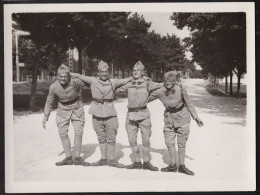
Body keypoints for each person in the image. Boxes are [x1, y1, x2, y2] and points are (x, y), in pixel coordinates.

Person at [70, 60, 133, 168]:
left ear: (108, 72)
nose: (104, 74)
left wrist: (139, 77)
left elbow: (125, 80)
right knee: (101, 137)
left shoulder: (113, 82)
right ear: (98, 72)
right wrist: (68, 73)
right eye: (101, 72)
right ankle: (103, 159)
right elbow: (80, 76)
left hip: (110, 113)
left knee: (112, 137)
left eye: (106, 72)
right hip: (96, 112)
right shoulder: (93, 80)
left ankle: (112, 160)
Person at [148, 71, 203, 175]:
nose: (167, 83)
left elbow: (189, 103)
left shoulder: (180, 89)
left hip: (183, 118)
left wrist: (196, 117)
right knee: (169, 142)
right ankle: (172, 165)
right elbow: (146, 98)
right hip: (169, 119)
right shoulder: (160, 91)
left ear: (174, 81)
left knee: (181, 144)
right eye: (165, 81)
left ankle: (182, 166)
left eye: (170, 81)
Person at [116, 61, 163, 171]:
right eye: (134, 70)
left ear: (143, 72)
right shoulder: (129, 84)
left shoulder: (148, 83)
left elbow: (162, 86)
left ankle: (146, 162)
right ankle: (137, 162)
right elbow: (116, 88)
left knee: (146, 140)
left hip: (144, 115)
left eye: (138, 70)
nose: (135, 72)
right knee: (132, 140)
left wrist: (177, 84)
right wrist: (127, 79)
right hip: (130, 115)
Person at [42, 64, 90, 166]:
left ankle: (77, 158)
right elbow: (49, 102)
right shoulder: (53, 87)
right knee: (63, 133)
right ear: (57, 76)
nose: (63, 78)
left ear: (68, 76)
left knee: (78, 132)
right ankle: (68, 158)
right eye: (61, 76)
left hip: (77, 107)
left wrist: (77, 75)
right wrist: (45, 116)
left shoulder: (75, 81)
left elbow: (90, 82)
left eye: (65, 76)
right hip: (62, 109)